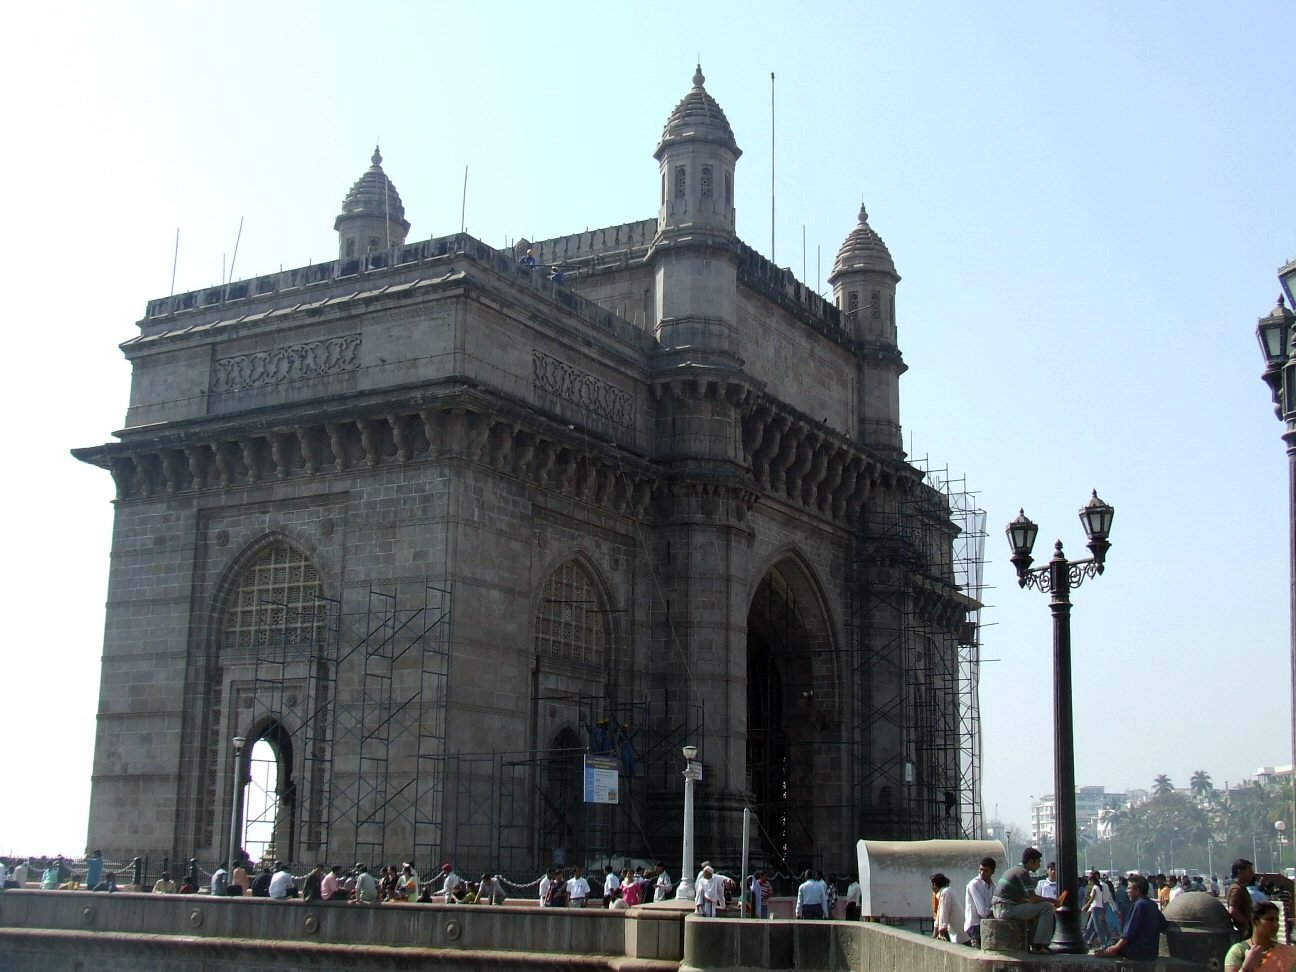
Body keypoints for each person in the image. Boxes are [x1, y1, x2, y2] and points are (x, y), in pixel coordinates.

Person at [991, 847, 1055, 955]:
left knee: (1038, 908)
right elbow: (1033, 898)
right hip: (1005, 909)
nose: (1039, 865)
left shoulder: (1014, 870)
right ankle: (1039, 945)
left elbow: (1022, 899)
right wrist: (1053, 900)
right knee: (1047, 907)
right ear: (1031, 861)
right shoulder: (1022, 872)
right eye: (1038, 862)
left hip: (1000, 908)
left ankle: (1032, 941)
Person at [1095, 874, 1168, 962]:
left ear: (1137, 890)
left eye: (1129, 888)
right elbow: (1164, 925)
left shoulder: (1139, 905)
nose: (1127, 891)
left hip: (1137, 952)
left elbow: (1129, 932)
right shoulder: (1152, 904)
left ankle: (1107, 951)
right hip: (1151, 952)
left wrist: (1116, 947)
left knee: (1113, 941)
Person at [1224, 899, 1296, 972]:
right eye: (1269, 919)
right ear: (1255, 922)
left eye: (1276, 920)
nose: (1275, 924)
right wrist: (1247, 966)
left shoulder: (1287, 953)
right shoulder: (1238, 952)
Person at [964, 857, 996, 947]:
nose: (982, 873)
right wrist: (995, 909)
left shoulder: (994, 886)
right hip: (975, 925)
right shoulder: (974, 885)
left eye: (986, 871)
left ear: (992, 872)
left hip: (986, 923)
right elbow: (983, 912)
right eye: (980, 870)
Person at [930, 873, 968, 943]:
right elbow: (939, 913)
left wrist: (942, 929)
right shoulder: (947, 891)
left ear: (934, 885)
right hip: (960, 932)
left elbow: (944, 913)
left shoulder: (945, 893)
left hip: (959, 934)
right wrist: (934, 935)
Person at [1083, 870, 1113, 948]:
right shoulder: (1099, 887)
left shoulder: (1095, 888)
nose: (1088, 883)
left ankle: (1103, 943)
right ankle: (1084, 941)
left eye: (1089, 881)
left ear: (1092, 880)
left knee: (1097, 927)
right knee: (1090, 927)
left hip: (1095, 908)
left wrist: (1086, 907)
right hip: (1097, 907)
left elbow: (1092, 899)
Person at [1230, 859, 1257, 940]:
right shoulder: (1236, 889)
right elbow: (1232, 910)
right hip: (1244, 933)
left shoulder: (1241, 887)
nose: (1252, 874)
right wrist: (1247, 924)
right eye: (1250, 871)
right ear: (1240, 872)